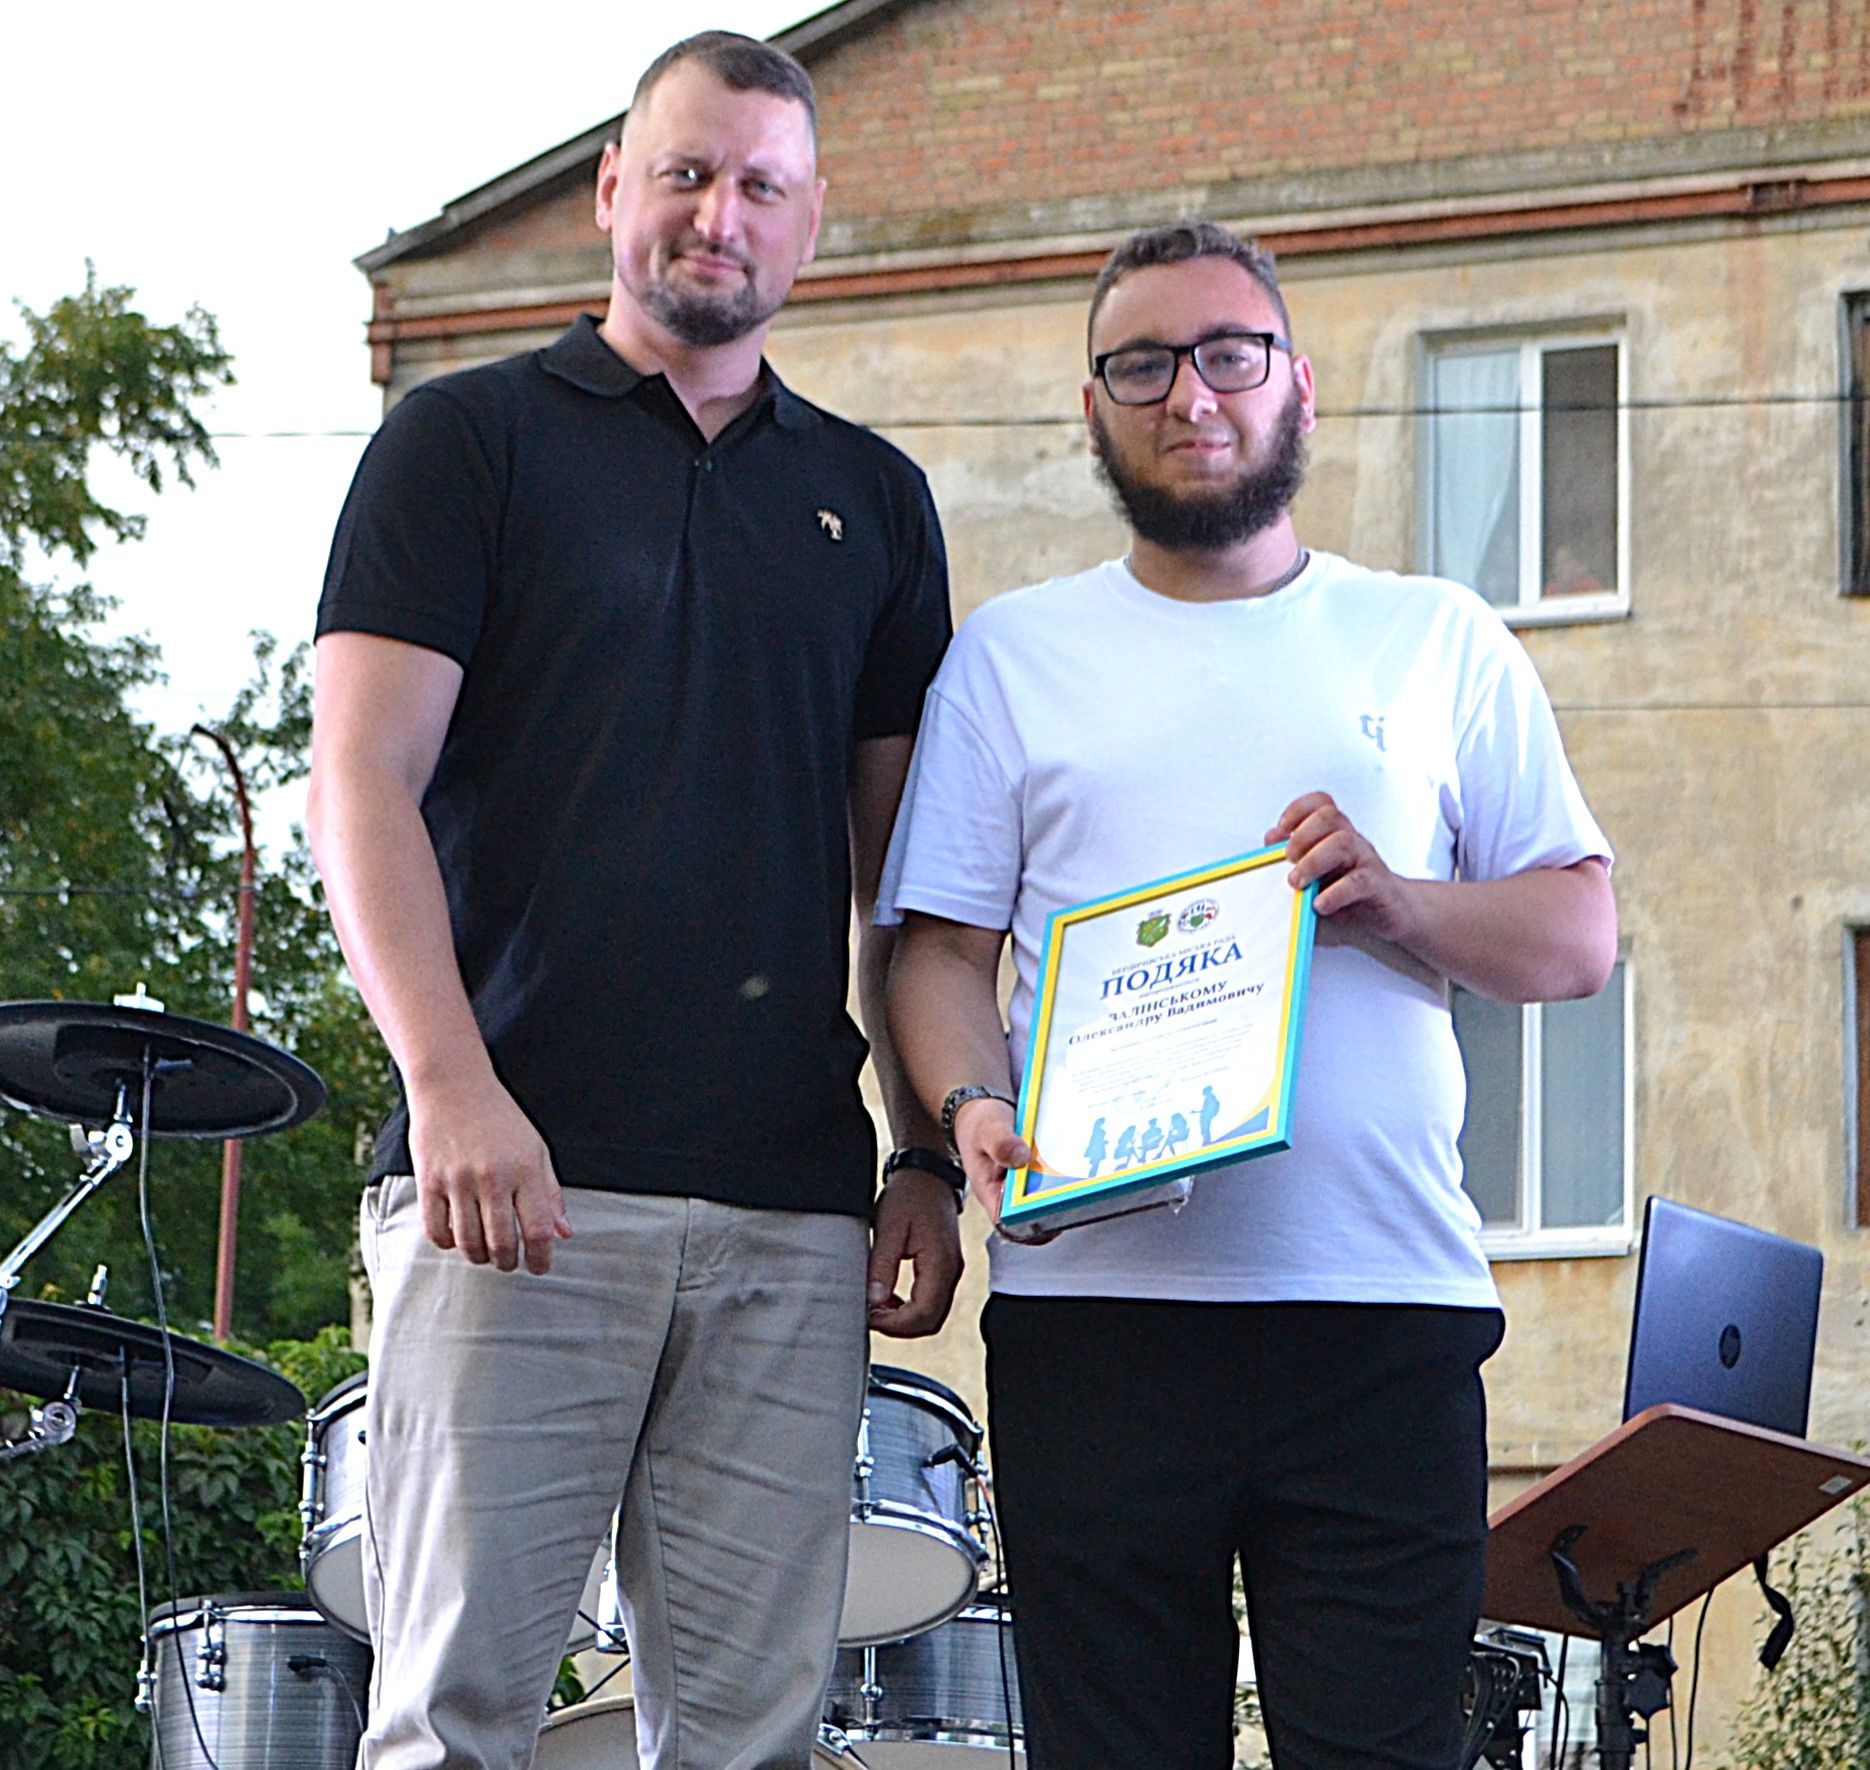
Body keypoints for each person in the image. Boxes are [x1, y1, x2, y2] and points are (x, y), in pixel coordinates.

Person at [308, 32, 964, 1770]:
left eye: (760, 185)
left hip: (788, 1214)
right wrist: (450, 1087)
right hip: (506, 1190)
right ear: (612, 189)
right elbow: (357, 783)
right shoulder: (464, 443)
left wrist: (917, 1151)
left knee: (747, 1736)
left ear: (810, 221)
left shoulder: (874, 502)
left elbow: (910, 887)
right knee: (454, 1719)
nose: (716, 215)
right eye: (683, 172)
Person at [881, 221, 1616, 1769]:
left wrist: (1399, 897)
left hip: (1382, 1312)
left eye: (1228, 352)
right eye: (1141, 363)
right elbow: (935, 954)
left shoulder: (1431, 635)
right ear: (1093, 406)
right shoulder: (1012, 655)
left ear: (1299, 385)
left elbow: (1574, 935)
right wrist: (969, 1108)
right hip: (1094, 1321)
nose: (1189, 393)